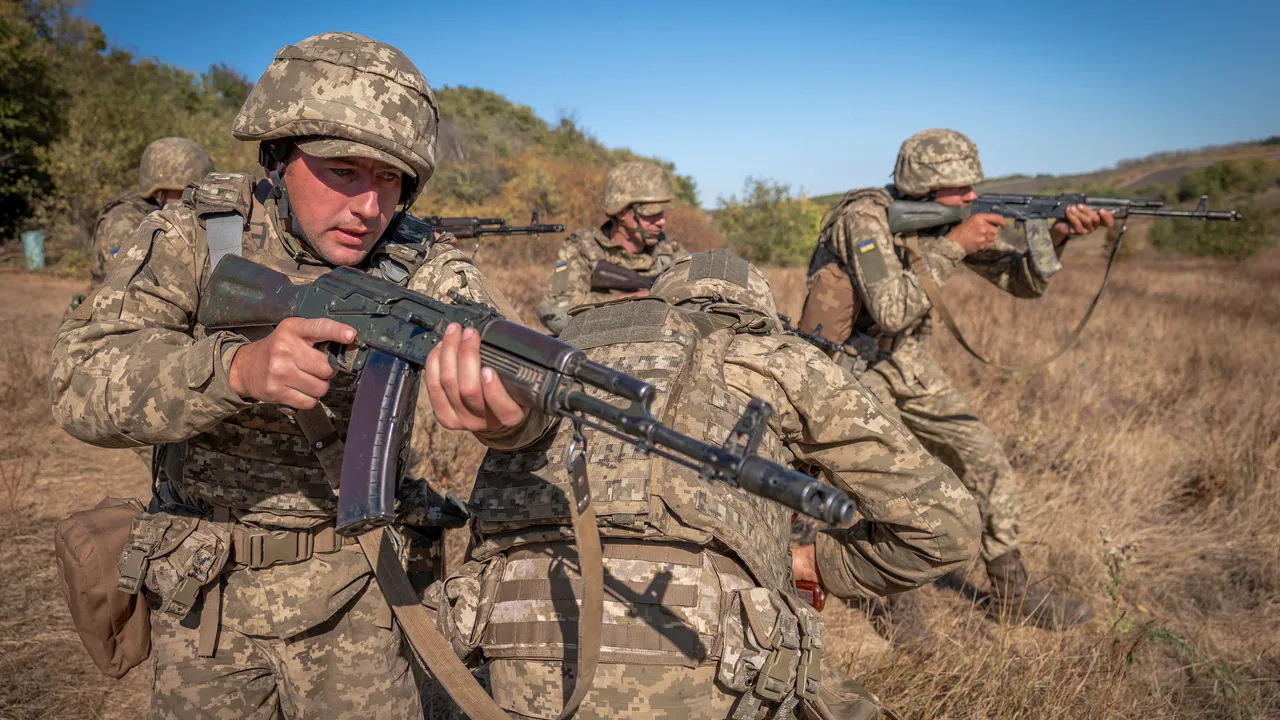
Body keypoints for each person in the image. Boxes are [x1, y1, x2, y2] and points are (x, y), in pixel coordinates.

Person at [50, 32, 540, 718]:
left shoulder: (423, 263)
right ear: (279, 156)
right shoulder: (194, 235)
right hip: (205, 604)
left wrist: (517, 415)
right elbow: (79, 379)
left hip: (360, 597)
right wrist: (236, 369)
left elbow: (511, 351)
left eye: (390, 179)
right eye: (343, 169)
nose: (369, 207)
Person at [430, 249, 982, 719]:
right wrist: (818, 564)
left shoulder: (564, 349)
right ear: (760, 313)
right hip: (698, 647)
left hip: (506, 635)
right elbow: (947, 528)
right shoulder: (784, 360)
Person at [798, 129, 1112, 640]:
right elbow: (892, 309)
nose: (972, 198)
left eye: (974, 187)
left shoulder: (946, 221)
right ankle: (892, 601)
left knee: (984, 457)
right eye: (960, 189)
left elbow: (1021, 283)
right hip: (846, 364)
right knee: (888, 481)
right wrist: (953, 247)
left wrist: (1056, 236)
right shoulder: (864, 217)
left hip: (902, 360)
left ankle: (1011, 592)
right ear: (923, 186)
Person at [536, 161, 686, 334]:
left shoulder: (670, 250)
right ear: (622, 212)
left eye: (662, 212)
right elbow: (557, 311)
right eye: (651, 213)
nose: (661, 221)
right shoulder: (581, 248)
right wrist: (634, 301)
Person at [89, 137, 214, 290]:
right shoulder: (124, 221)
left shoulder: (187, 221)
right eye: (184, 192)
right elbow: (130, 285)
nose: (191, 200)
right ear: (157, 192)